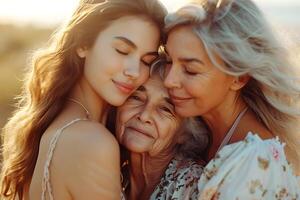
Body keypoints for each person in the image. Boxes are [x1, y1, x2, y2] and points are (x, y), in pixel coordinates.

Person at [0, 0, 167, 199]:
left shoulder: (57, 123)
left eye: (146, 61)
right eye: (122, 50)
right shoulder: (92, 142)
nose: (134, 71)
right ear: (83, 44)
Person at [163, 0, 300, 199]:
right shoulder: (197, 133)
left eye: (190, 70)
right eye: (168, 61)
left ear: (239, 77)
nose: (169, 81)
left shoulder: (256, 163)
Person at [109, 59, 208, 200]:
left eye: (165, 109)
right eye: (136, 97)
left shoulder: (194, 186)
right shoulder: (109, 172)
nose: (144, 116)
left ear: (185, 133)